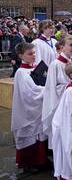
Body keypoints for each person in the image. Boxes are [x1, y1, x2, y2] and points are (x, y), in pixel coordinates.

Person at [11, 42, 48, 171]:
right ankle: (28, 163)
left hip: (38, 110)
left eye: (34, 53)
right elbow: (31, 93)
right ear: (21, 56)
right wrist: (49, 90)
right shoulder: (21, 73)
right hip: (28, 111)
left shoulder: (36, 67)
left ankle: (41, 160)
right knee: (29, 135)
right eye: (30, 54)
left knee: (40, 134)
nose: (33, 55)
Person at [42, 35, 72, 149]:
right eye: (71, 45)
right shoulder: (55, 64)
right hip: (60, 104)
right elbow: (51, 88)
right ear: (62, 47)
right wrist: (69, 86)